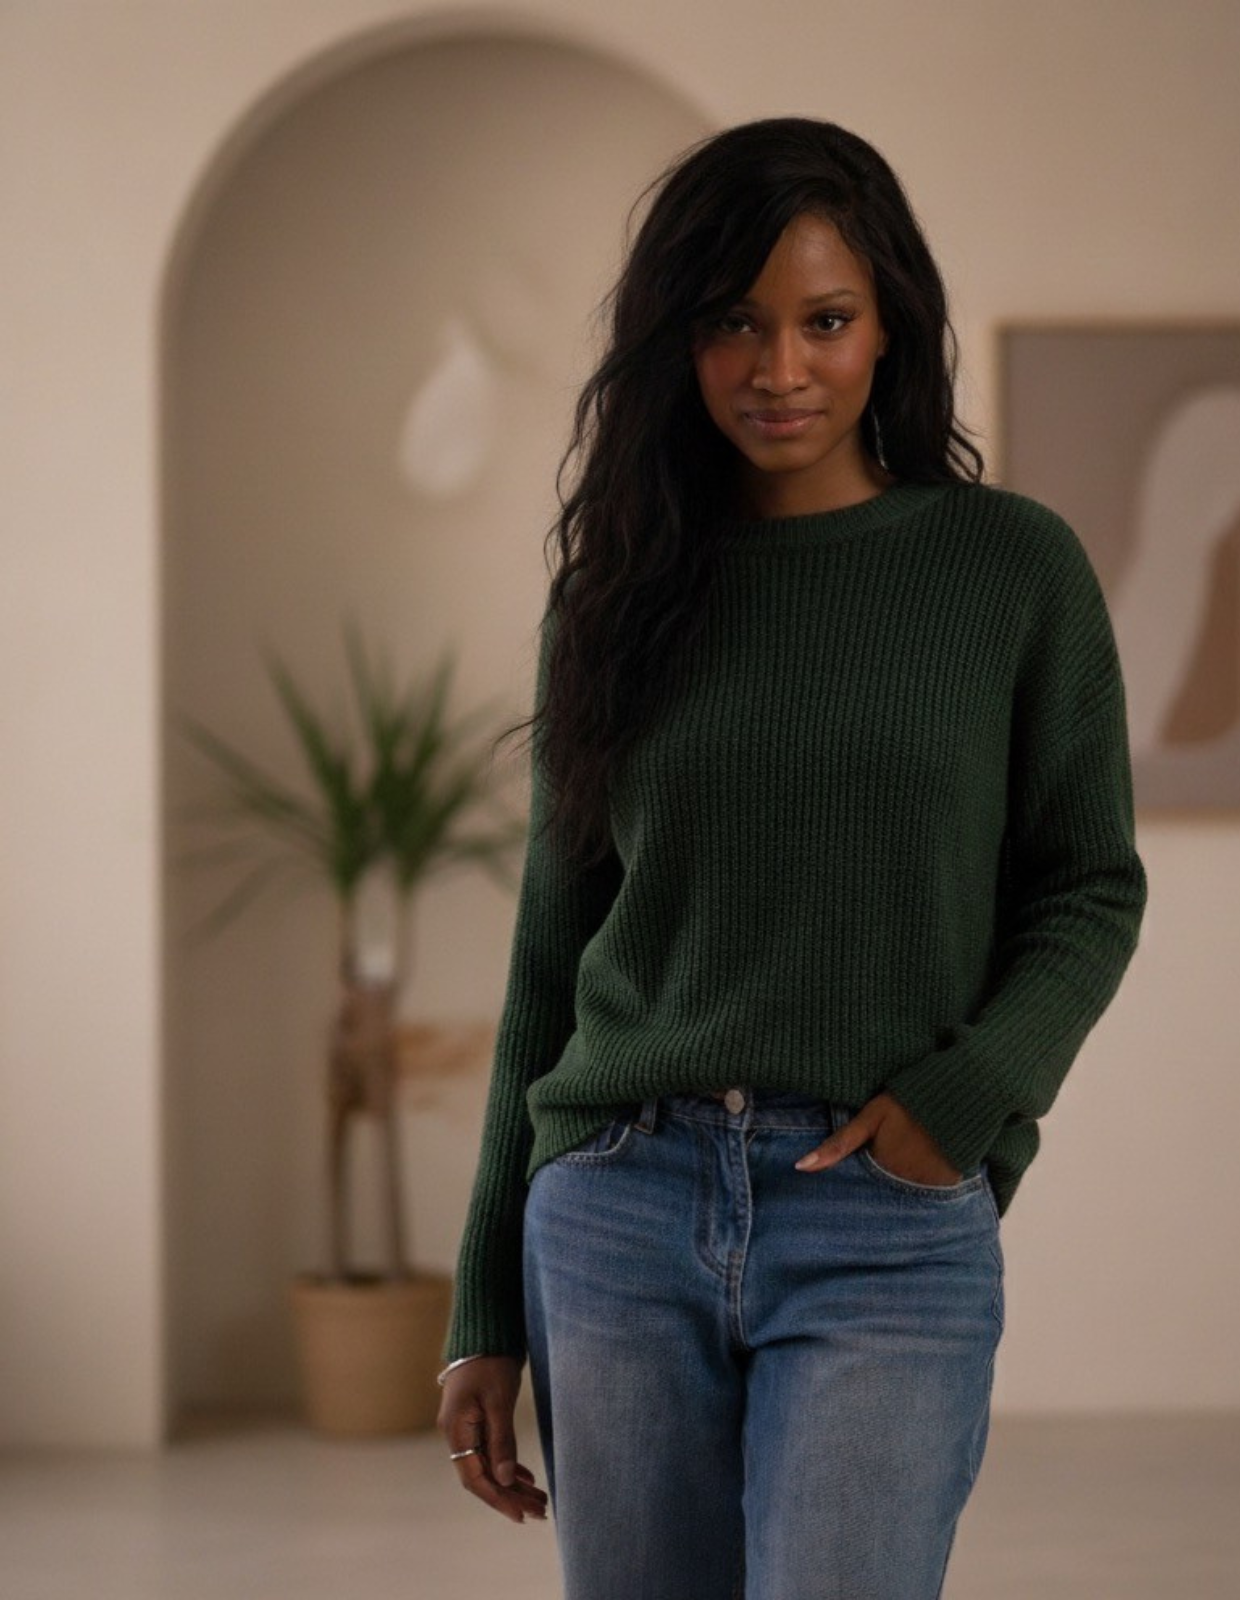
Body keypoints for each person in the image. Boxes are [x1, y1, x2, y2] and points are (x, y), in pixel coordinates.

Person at [436, 115, 1147, 1600]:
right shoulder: (616, 601)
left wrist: (958, 1106)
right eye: (732, 326)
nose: (779, 369)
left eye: (823, 321)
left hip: (882, 1218)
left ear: (888, 327)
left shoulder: (1009, 570)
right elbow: (553, 960)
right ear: (674, 347)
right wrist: (482, 1304)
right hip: (620, 1201)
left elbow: (1088, 886)